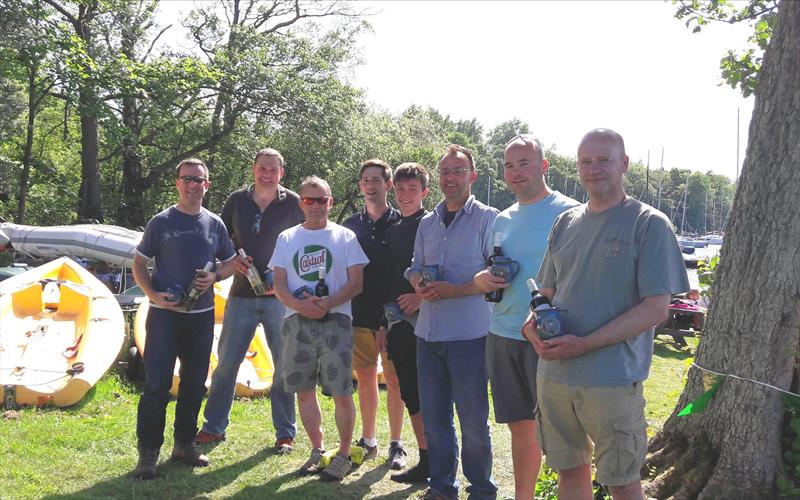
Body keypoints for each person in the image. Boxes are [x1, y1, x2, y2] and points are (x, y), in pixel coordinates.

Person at [523, 129, 689, 500]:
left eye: (604, 160)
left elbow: (656, 309)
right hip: (554, 375)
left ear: (624, 164)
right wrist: (531, 326)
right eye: (586, 161)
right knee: (570, 474)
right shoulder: (565, 222)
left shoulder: (648, 223)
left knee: (621, 481)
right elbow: (546, 292)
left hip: (612, 378)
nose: (593, 169)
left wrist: (585, 344)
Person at [473, 134, 579, 499]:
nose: (516, 172)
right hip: (503, 332)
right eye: (509, 165)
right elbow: (487, 270)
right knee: (520, 426)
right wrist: (481, 279)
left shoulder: (570, 212)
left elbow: (579, 277)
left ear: (544, 167)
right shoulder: (502, 218)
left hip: (549, 336)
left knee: (563, 429)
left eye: (524, 163)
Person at [131, 158, 236, 480]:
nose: (193, 185)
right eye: (187, 178)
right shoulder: (161, 222)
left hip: (201, 317)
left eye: (199, 180)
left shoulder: (214, 223)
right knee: (157, 386)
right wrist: (151, 295)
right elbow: (139, 264)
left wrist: (215, 275)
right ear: (178, 183)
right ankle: (148, 453)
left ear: (207, 185)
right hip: (164, 317)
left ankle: (184, 444)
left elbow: (231, 264)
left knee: (193, 384)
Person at [406, 145, 499, 500]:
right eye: (445, 171)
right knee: (435, 419)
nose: (450, 177)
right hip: (428, 335)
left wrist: (455, 290)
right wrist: (417, 282)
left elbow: (498, 272)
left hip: (471, 336)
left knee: (473, 422)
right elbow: (415, 266)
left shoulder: (489, 219)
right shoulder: (427, 223)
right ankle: (442, 487)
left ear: (472, 176)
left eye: (458, 171)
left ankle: (481, 489)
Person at [196, 148, 304, 453]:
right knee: (226, 364)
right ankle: (213, 428)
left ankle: (285, 433)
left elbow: (306, 245)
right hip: (241, 294)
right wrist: (232, 262)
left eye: (273, 169)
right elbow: (221, 240)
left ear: (282, 173)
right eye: (262, 168)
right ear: (253, 169)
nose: (267, 174)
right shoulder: (236, 200)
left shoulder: (295, 203)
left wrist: (287, 280)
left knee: (284, 368)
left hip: (279, 298)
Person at [269, 175, 368, 482]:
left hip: (336, 322)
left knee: (341, 391)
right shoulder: (287, 238)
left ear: (330, 202)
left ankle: (341, 455)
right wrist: (302, 307)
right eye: (309, 200)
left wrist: (326, 304)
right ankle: (317, 450)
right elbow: (279, 285)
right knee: (303, 391)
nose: (315, 206)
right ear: (301, 203)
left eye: (321, 200)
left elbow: (356, 283)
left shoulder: (345, 237)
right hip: (296, 322)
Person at [342, 159, 406, 467]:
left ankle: (397, 443)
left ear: (388, 184)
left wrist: (390, 316)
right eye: (365, 180)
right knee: (365, 377)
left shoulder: (402, 222)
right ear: (360, 186)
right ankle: (368, 441)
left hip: (394, 317)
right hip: (359, 315)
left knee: (394, 380)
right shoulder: (350, 227)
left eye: (376, 180)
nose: (370, 185)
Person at [377, 162, 432, 483]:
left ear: (425, 192)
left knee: (433, 393)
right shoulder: (394, 229)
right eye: (401, 188)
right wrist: (383, 323)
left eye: (413, 189)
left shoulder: (434, 224)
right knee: (410, 390)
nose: (406, 194)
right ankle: (426, 460)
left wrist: (421, 299)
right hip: (397, 320)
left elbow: (447, 268)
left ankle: (440, 461)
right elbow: (390, 279)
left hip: (431, 319)